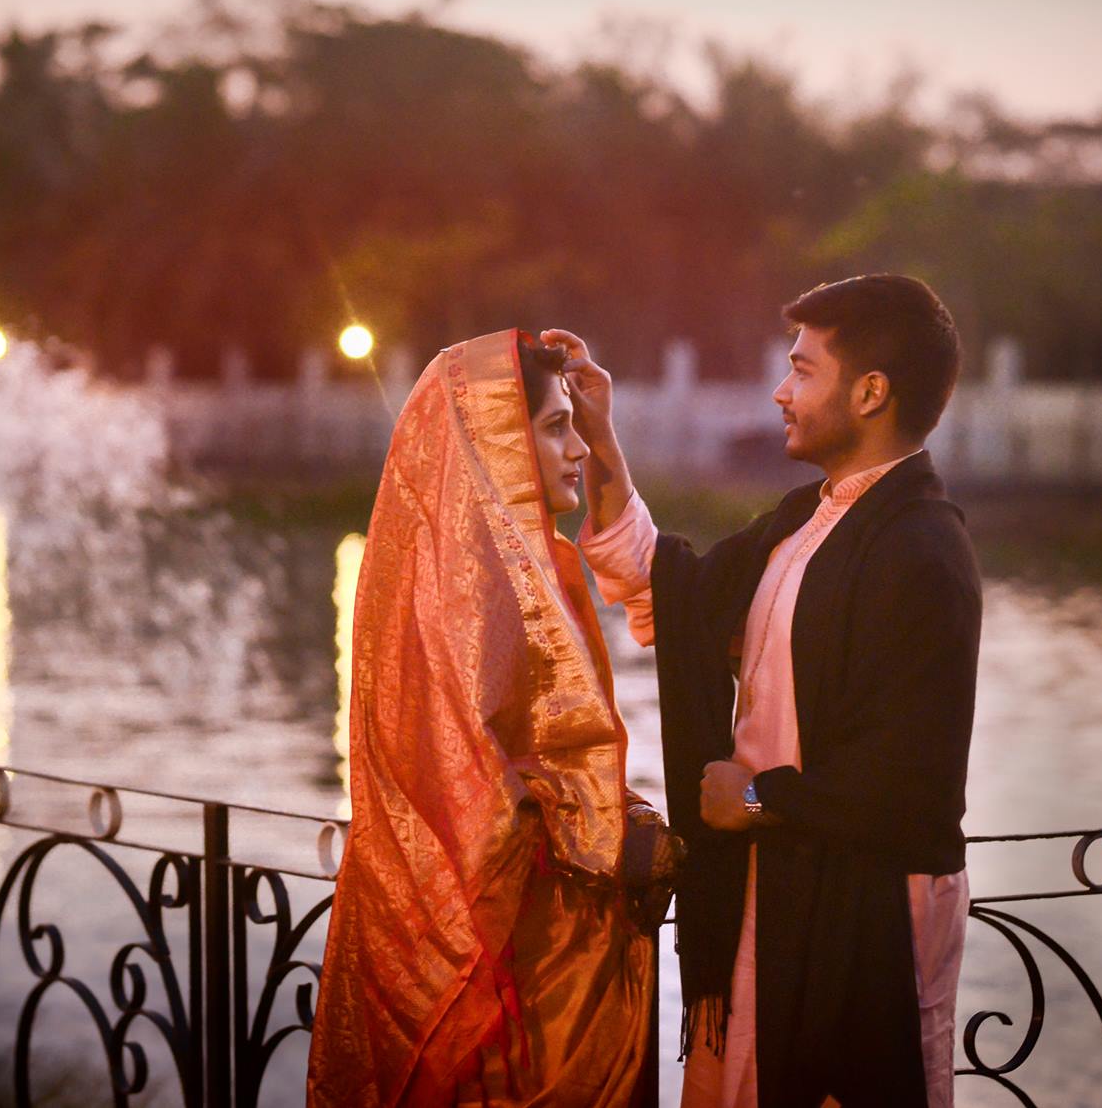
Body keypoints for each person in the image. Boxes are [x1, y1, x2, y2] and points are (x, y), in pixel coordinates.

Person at [548, 273, 981, 1107]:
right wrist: (600, 437)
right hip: (768, 887)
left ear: (871, 392)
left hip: (860, 920)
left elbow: (913, 784)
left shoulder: (923, 553)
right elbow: (670, 594)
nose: (781, 392)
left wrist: (754, 797)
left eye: (802, 370)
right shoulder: (806, 519)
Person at [308, 329, 681, 1108]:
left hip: (494, 944)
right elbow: (476, 794)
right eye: (555, 427)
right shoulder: (486, 589)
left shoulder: (511, 567)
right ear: (501, 440)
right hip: (513, 976)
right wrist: (614, 830)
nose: (577, 447)